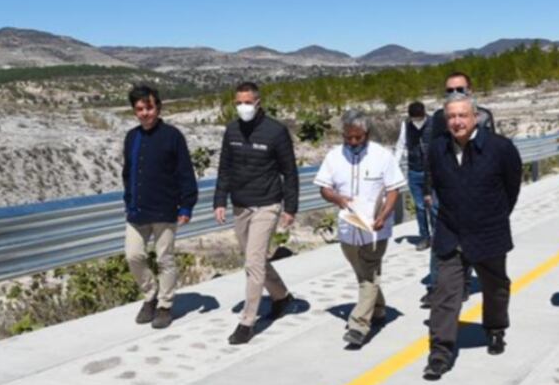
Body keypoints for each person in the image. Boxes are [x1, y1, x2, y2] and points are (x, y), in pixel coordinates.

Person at [423, 93, 523, 380]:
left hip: (488, 231)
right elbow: (435, 183)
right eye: (451, 116)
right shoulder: (437, 148)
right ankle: (439, 352)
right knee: (445, 293)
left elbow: (511, 188)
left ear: (475, 116)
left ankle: (494, 329)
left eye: (462, 115)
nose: (457, 122)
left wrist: (495, 215)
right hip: (450, 231)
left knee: (495, 286)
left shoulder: (500, 148)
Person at [213, 81, 300, 345]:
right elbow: (224, 168)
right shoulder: (231, 131)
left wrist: (290, 207)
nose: (243, 107)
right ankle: (282, 296)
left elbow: (289, 171)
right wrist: (219, 201)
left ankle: (247, 322)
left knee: (252, 262)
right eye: (238, 103)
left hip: (267, 204)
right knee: (255, 260)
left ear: (258, 102)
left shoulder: (275, 131)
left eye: (248, 102)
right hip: (241, 205)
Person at [315, 110, 406, 347]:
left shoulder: (382, 156)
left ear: (367, 134)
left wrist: (385, 215)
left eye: (358, 138)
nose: (353, 142)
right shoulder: (334, 157)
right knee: (365, 274)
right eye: (348, 138)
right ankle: (379, 309)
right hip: (348, 229)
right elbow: (323, 188)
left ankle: (358, 325)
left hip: (376, 229)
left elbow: (394, 189)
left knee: (368, 272)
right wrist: (337, 198)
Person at [122, 84, 199, 330]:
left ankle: (165, 305)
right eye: (140, 109)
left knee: (165, 258)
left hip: (165, 209)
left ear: (158, 107)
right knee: (133, 255)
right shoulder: (131, 137)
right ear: (135, 111)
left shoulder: (172, 136)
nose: (145, 113)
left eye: (149, 107)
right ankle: (150, 294)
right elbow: (128, 173)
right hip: (137, 211)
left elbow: (185, 173)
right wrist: (128, 198)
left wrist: (186, 206)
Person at [423, 71, 497, 306]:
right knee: (440, 240)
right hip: (444, 189)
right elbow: (432, 154)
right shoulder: (438, 117)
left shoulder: (483, 116)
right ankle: (437, 287)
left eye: (460, 89)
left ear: (470, 90)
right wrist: (427, 188)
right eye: (450, 90)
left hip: (474, 189)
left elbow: (491, 153)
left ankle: (463, 283)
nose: (455, 93)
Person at [393, 101, 436, 251]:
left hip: (433, 172)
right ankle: (425, 237)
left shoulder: (434, 123)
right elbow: (400, 146)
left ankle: (438, 237)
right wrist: (393, 167)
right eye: (414, 119)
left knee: (434, 206)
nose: (417, 122)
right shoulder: (406, 125)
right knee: (420, 207)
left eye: (420, 118)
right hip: (414, 171)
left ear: (425, 114)